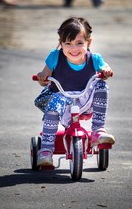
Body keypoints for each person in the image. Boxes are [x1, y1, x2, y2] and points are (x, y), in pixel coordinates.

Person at [34, 17, 115, 166]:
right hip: (61, 102)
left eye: (79, 43)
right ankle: (46, 150)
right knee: (55, 101)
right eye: (68, 43)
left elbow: (106, 69)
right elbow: (43, 79)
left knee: (101, 85)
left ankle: (98, 130)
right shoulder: (55, 57)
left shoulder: (94, 59)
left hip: (84, 102)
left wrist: (106, 71)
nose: (74, 49)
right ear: (61, 43)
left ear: (88, 43)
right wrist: (42, 77)